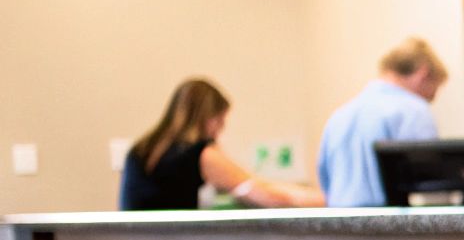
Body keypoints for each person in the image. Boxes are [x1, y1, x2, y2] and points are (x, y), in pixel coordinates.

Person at [120, 78, 325, 210]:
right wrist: (329, 199)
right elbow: (264, 192)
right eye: (220, 120)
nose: (221, 129)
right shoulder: (199, 154)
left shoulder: (140, 149)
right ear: (207, 118)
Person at [316, 37, 446, 206]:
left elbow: (326, 182)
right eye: (430, 95)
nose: (429, 101)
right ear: (423, 74)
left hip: (340, 227)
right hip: (392, 228)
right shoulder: (413, 110)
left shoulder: (339, 116)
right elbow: (430, 184)